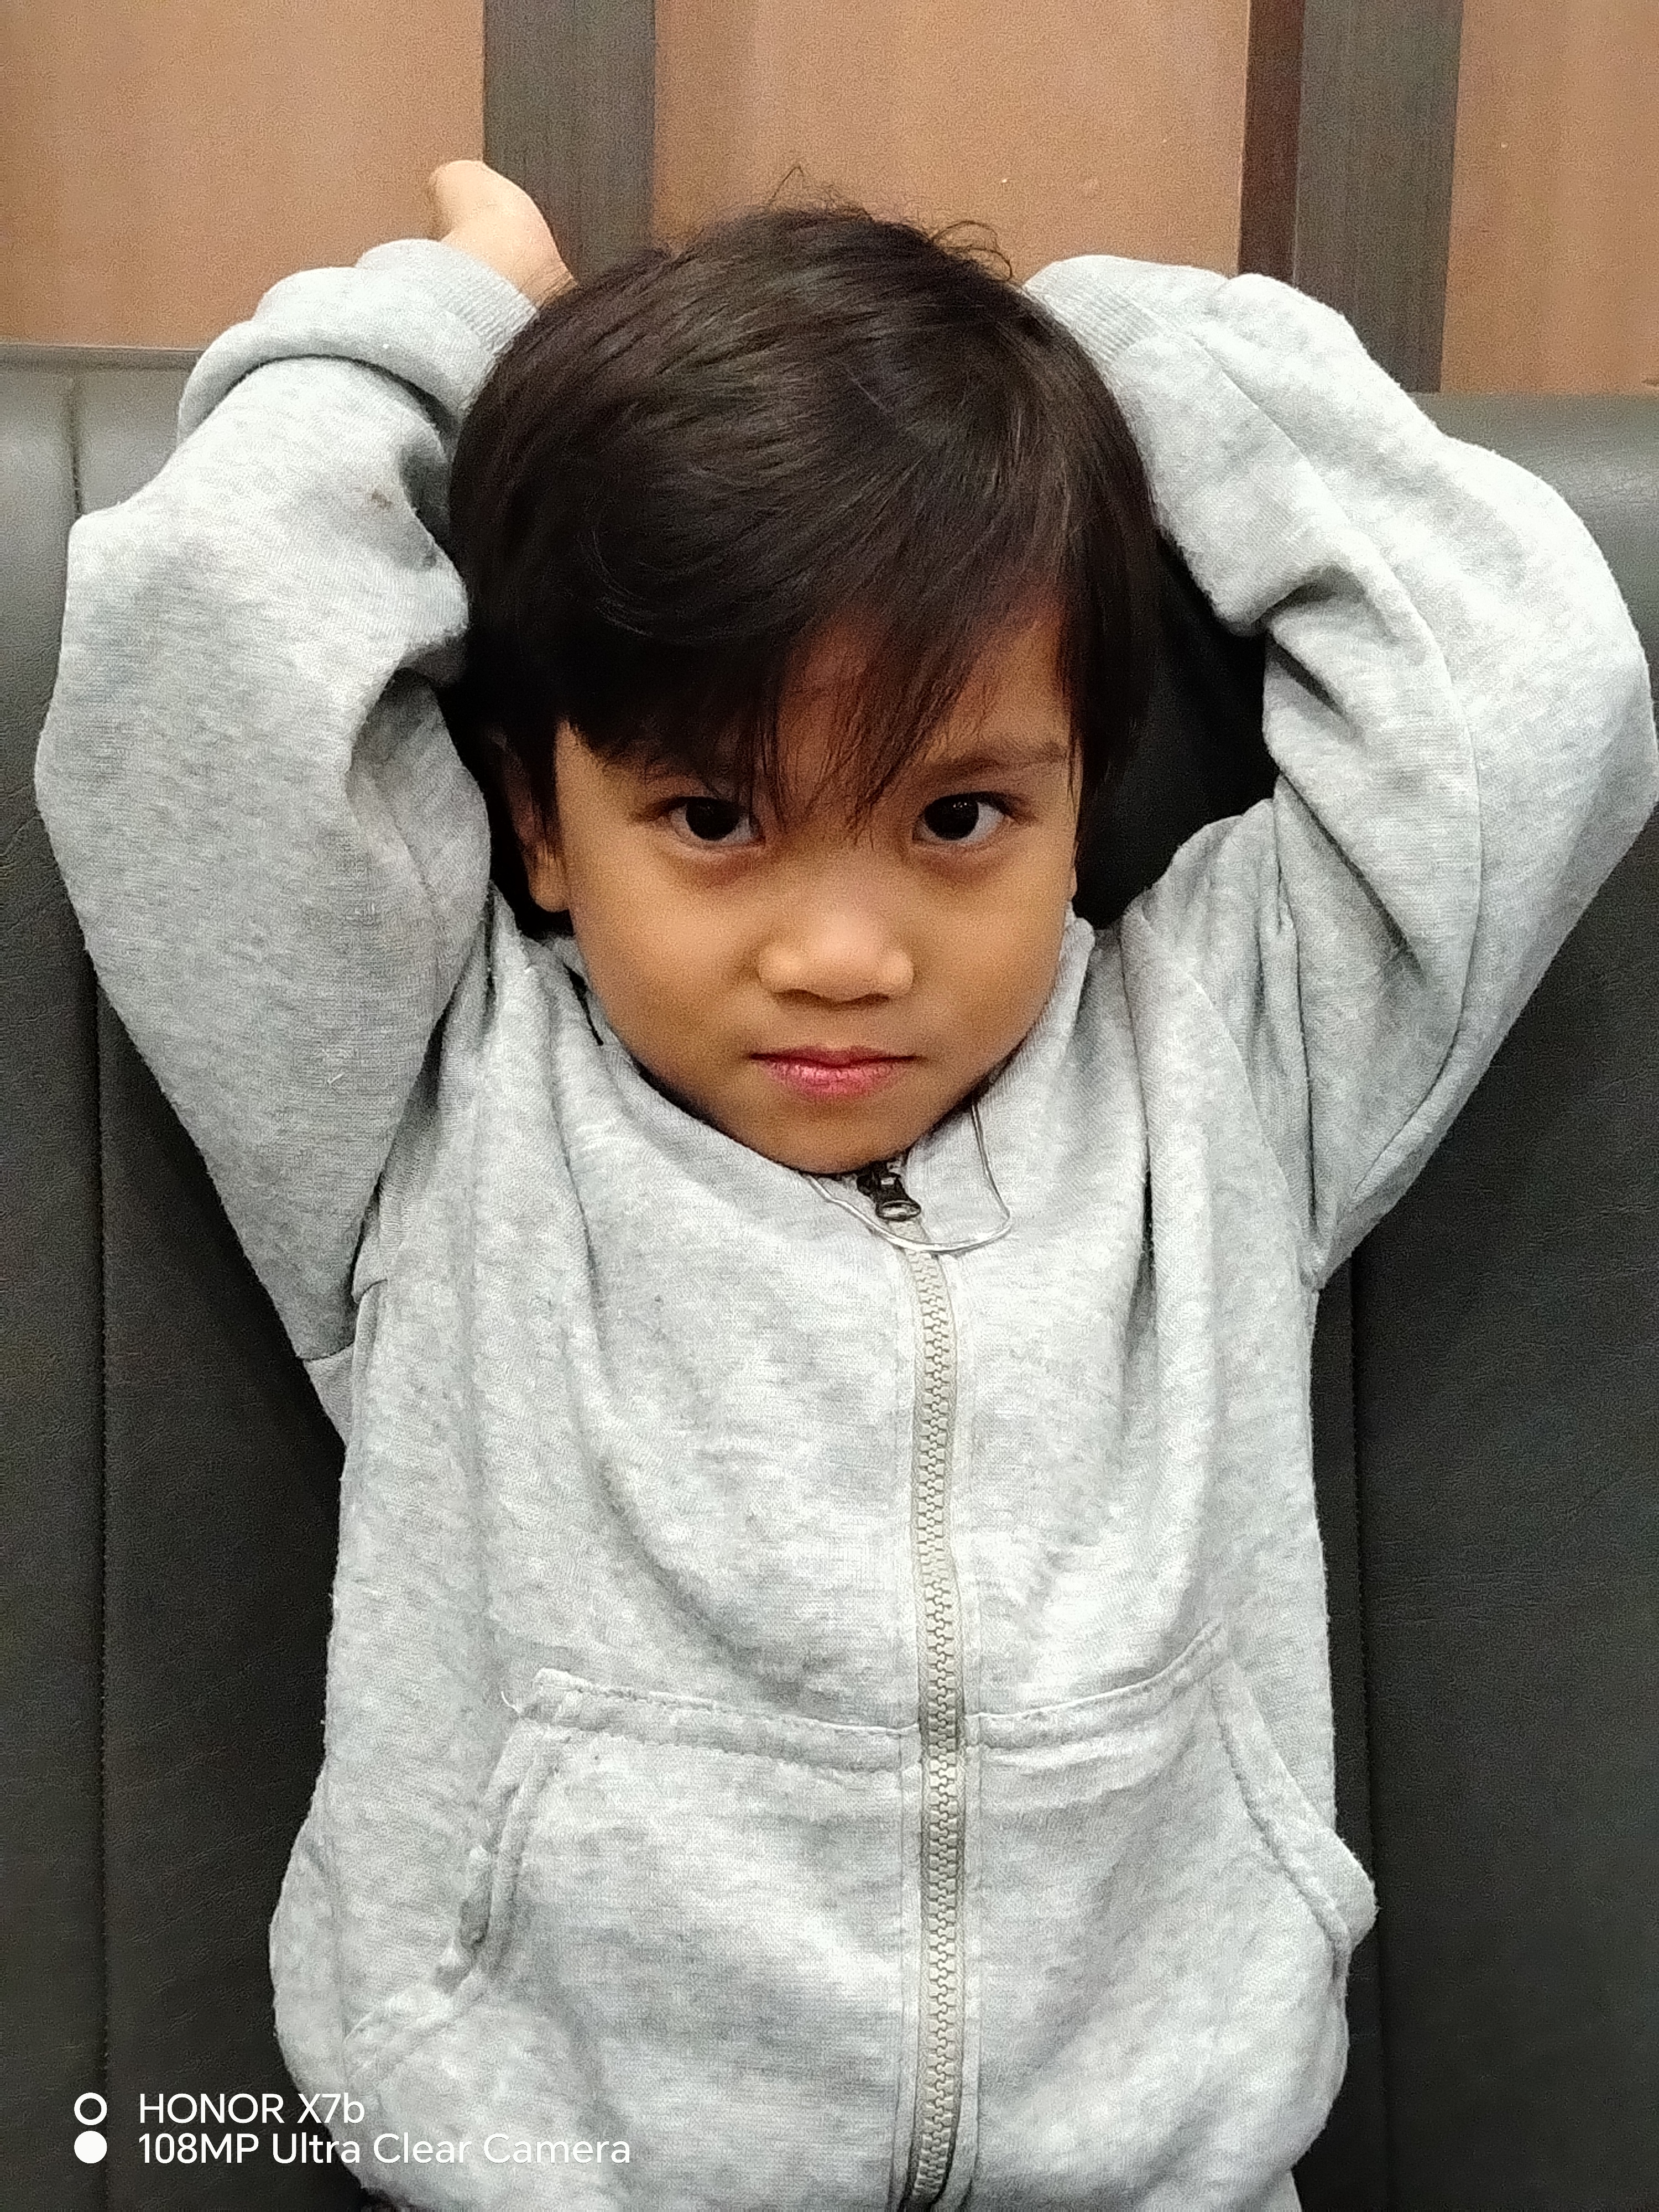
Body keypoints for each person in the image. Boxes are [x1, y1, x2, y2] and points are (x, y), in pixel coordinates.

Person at [34, 159, 1656, 2212]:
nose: (841, 955)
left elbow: (1526, 694)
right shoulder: (438, 1112)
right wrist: (452, 310)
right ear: (540, 824)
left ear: (1078, 796)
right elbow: (197, 642)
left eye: (959, 817)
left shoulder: (1227, 1075)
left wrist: (1107, 358)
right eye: (714, 819)